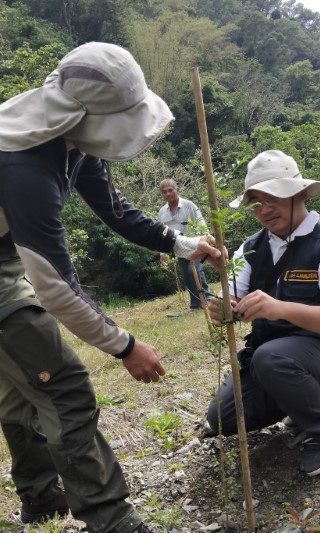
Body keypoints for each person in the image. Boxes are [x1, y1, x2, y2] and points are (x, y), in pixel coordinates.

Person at [0, 42, 223, 533]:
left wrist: (187, 246)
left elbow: (118, 212)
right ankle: (111, 518)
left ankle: (41, 498)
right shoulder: (24, 164)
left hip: (6, 259)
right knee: (63, 385)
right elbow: (55, 287)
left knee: (20, 387)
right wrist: (124, 346)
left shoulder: (71, 141)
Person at [207, 150, 320, 477]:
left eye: (274, 198)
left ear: (300, 193)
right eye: (256, 202)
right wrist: (224, 303)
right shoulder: (251, 248)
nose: (265, 210)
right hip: (276, 359)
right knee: (222, 419)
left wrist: (279, 308)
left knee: (271, 358)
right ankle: (299, 402)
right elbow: (233, 305)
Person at [158, 179, 211, 311]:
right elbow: (161, 234)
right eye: (164, 192)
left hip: (196, 246)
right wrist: (162, 253)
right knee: (187, 276)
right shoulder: (162, 212)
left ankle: (207, 299)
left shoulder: (189, 205)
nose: (168, 194)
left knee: (195, 272)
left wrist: (207, 242)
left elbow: (201, 224)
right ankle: (195, 304)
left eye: (170, 190)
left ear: (178, 189)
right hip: (178, 249)